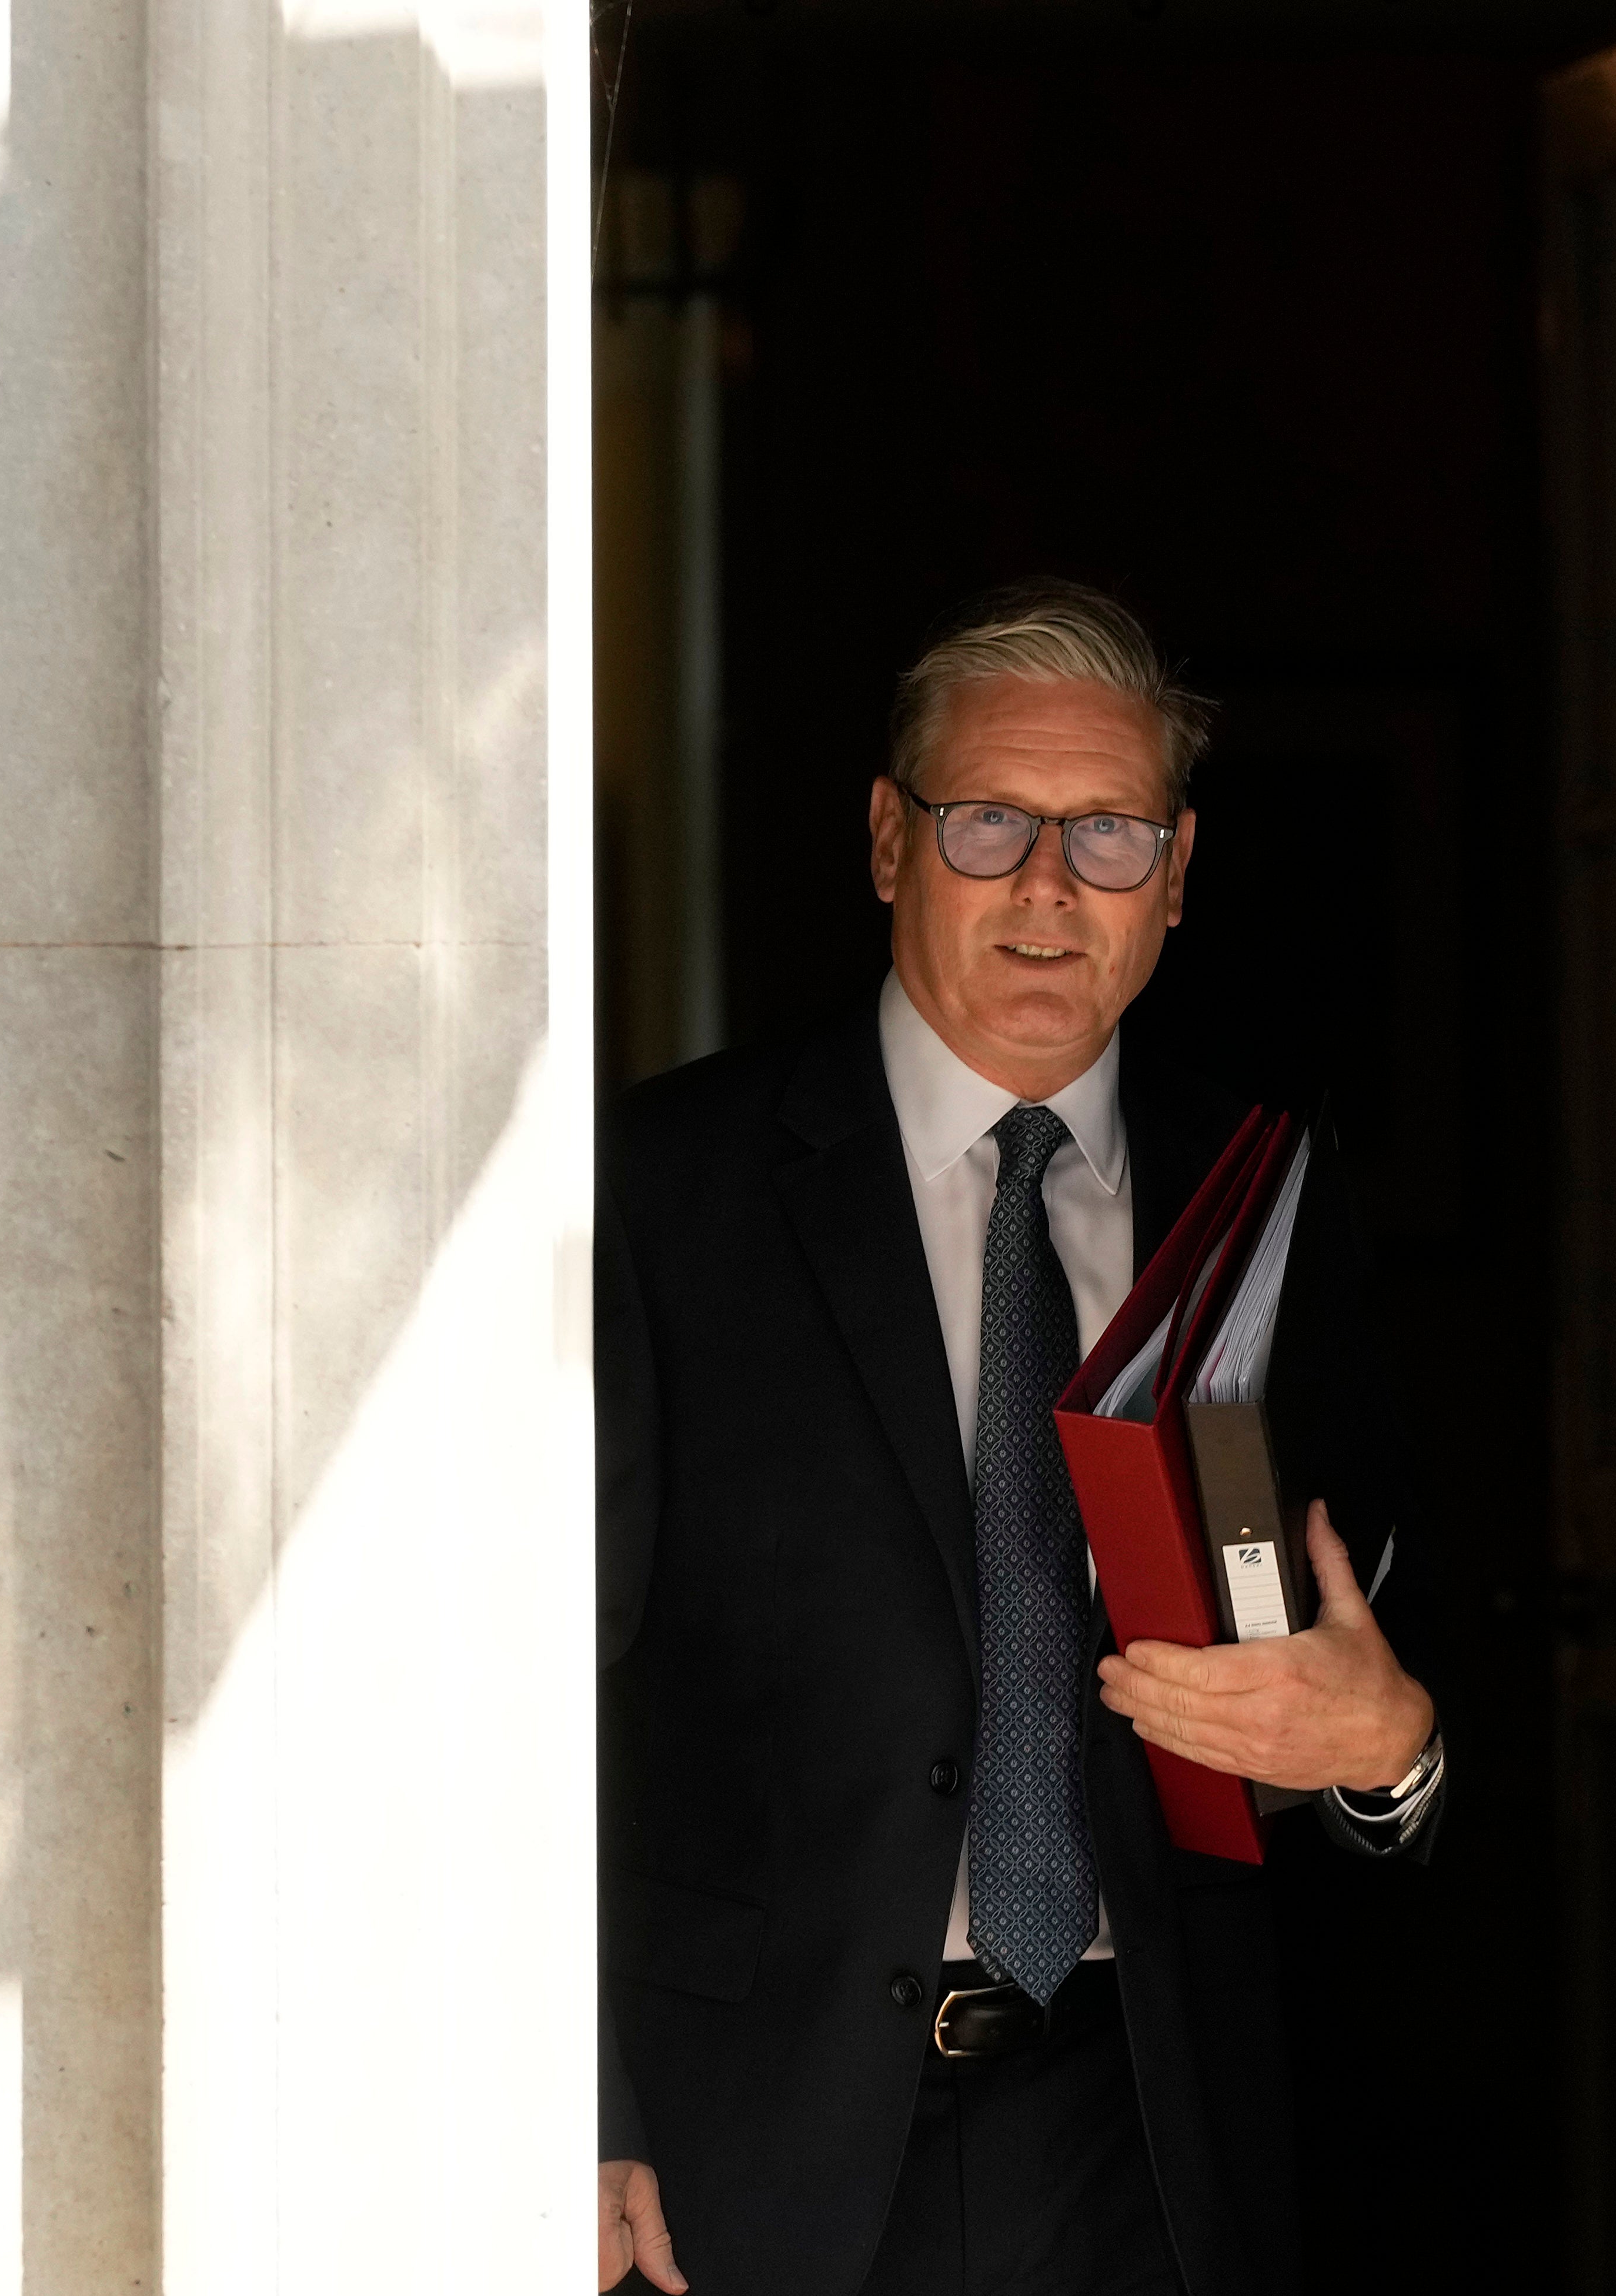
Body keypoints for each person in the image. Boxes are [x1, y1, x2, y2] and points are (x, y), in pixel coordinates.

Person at [595, 581, 1445, 2296]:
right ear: (889, 842)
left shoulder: (1266, 1200)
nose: (1051, 889)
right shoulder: (661, 1189)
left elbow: (1357, 1678)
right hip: (741, 2147)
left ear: (1179, 874)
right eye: (990, 823)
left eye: (1111, 834)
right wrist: (575, 2096)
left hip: (1153, 2133)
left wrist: (1391, 1753)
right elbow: (536, 1680)